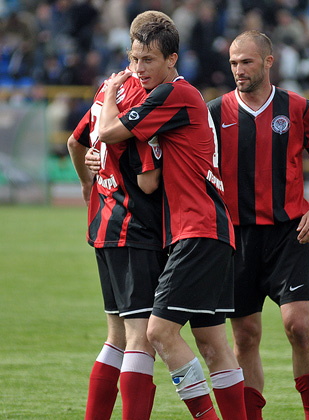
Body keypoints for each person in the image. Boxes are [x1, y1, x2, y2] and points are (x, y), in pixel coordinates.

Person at [96, 11, 246, 420]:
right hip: (211, 229)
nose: (139, 69)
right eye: (134, 60)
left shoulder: (170, 95)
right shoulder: (179, 99)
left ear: (172, 60)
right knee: (215, 344)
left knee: (157, 332)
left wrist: (109, 92)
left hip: (196, 230)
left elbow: (108, 133)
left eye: (148, 60)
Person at [207, 30, 309, 420]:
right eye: (233, 63)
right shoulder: (214, 112)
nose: (238, 70)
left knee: (297, 325)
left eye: (246, 62)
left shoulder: (297, 108)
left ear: (268, 61)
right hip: (236, 237)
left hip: (288, 234)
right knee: (245, 336)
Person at [67, 66, 166, 419]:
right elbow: (149, 180)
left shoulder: (109, 87)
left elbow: (74, 142)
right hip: (133, 227)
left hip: (104, 224)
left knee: (117, 337)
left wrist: (86, 183)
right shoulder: (146, 97)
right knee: (141, 339)